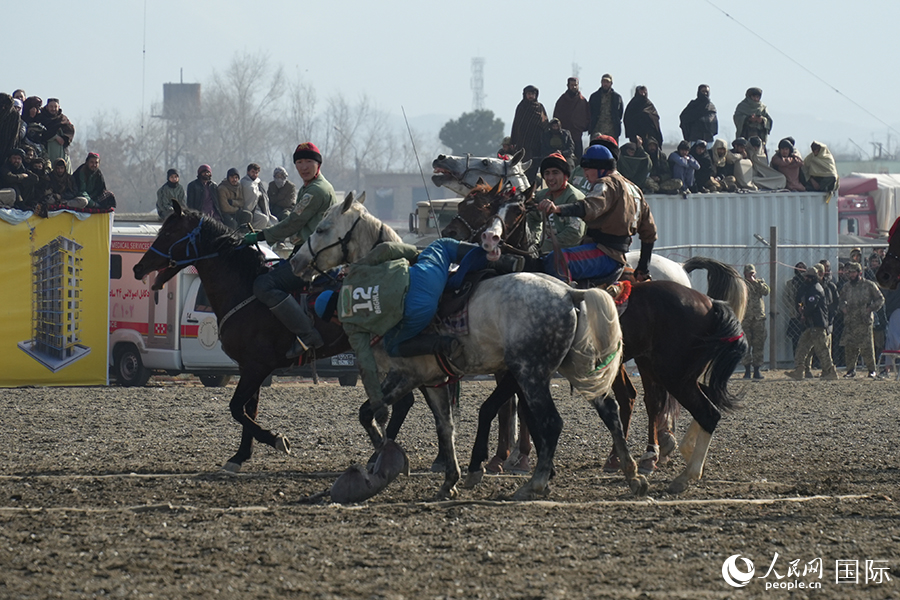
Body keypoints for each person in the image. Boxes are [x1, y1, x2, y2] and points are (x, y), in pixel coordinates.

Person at [312, 239, 523, 408]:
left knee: (393, 346)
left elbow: (366, 365)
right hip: (425, 276)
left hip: (419, 311)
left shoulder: (350, 326)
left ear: (333, 317)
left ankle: (442, 345)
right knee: (442, 245)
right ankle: (501, 260)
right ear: (336, 291)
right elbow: (385, 248)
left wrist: (377, 400)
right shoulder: (353, 274)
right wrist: (414, 254)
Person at [243, 143, 339, 358]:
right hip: (305, 251)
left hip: (314, 259)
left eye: (309, 162)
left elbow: (293, 222)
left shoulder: (316, 190)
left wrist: (260, 235)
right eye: (299, 162)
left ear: (318, 164)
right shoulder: (308, 187)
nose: (303, 167)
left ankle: (307, 334)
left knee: (264, 285)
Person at [534, 144, 656, 282]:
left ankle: (566, 302)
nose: (585, 174)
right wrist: (643, 268)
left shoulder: (606, 183)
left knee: (555, 260)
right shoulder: (635, 189)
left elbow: (590, 207)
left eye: (587, 169)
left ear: (600, 168)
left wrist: (557, 209)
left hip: (604, 254)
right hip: (615, 255)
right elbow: (650, 233)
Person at [525, 152, 586, 254]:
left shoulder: (574, 198)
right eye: (547, 173)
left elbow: (574, 234)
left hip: (570, 253)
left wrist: (542, 246)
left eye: (555, 172)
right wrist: (533, 241)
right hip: (546, 251)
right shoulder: (541, 195)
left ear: (565, 175)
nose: (550, 178)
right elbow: (532, 218)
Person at [786, 267, 838, 380]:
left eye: (807, 277)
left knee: (822, 349)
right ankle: (799, 370)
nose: (805, 278)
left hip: (817, 325)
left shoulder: (815, 289)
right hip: (811, 325)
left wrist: (804, 312)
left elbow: (811, 305)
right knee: (802, 347)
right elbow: (801, 301)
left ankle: (830, 372)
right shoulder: (809, 288)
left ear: (812, 278)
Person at [839, 262, 884, 378]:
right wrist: (843, 308)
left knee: (867, 347)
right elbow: (840, 300)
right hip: (850, 320)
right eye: (850, 273)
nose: (851, 275)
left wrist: (870, 309)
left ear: (859, 273)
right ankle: (850, 370)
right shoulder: (847, 286)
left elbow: (880, 299)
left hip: (864, 320)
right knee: (850, 347)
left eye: (853, 272)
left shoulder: (869, 285)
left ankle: (871, 370)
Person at [509, 85, 548, 178]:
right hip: (523, 142)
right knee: (523, 166)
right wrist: (513, 141)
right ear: (525, 95)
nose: (531, 96)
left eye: (533, 94)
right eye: (529, 94)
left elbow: (545, 123)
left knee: (534, 167)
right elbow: (516, 124)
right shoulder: (521, 107)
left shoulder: (539, 107)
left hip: (537, 143)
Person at [742, 264, 770, 379]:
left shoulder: (759, 283)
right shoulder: (741, 284)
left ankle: (757, 370)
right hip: (746, 318)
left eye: (753, 273)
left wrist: (756, 283)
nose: (751, 275)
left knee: (758, 344)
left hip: (758, 318)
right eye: (749, 273)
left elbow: (766, 291)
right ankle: (747, 370)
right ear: (745, 274)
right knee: (745, 345)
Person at [552, 77, 591, 160]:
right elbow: (556, 116)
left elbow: (587, 115)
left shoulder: (582, 101)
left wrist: (583, 126)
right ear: (568, 86)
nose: (574, 87)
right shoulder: (562, 100)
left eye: (575, 85)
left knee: (578, 157)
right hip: (564, 136)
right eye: (572, 85)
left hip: (577, 133)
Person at [37, 98, 75, 173]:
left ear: (59, 107)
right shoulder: (41, 118)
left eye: (55, 107)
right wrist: (55, 137)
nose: (53, 109)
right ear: (47, 107)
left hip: (62, 151)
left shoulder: (63, 119)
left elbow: (70, 131)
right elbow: (41, 133)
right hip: (47, 151)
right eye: (51, 106)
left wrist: (64, 138)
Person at [784, 261, 808, 366]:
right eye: (798, 268)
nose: (800, 270)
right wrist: (793, 309)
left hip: (807, 315)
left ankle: (807, 362)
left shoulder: (808, 283)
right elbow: (786, 297)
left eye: (803, 268)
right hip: (795, 315)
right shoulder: (790, 283)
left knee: (807, 338)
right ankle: (797, 362)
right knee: (796, 339)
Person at [588, 74, 623, 140]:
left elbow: (620, 113)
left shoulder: (617, 97)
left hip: (612, 131)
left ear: (611, 83)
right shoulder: (594, 96)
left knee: (612, 149)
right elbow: (590, 111)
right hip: (597, 129)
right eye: (604, 82)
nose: (605, 84)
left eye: (607, 82)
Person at [242, 163, 276, 230]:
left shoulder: (258, 182)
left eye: (256, 173)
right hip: (250, 210)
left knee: (274, 221)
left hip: (259, 208)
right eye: (253, 172)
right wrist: (259, 194)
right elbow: (252, 194)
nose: (254, 174)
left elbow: (264, 196)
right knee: (263, 219)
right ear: (248, 172)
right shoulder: (245, 182)